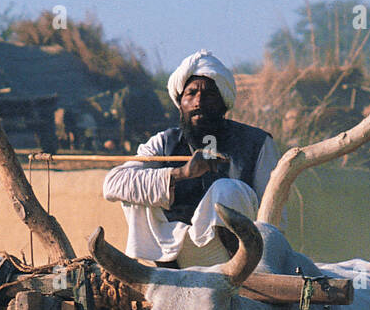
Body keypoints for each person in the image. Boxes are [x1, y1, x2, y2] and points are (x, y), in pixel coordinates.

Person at [102, 49, 281, 268]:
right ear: (180, 102)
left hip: (233, 260)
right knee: (135, 189)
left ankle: (246, 278)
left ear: (224, 102)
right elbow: (112, 184)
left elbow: (274, 219)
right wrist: (180, 173)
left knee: (227, 190)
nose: (199, 102)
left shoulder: (257, 143)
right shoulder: (164, 142)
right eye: (191, 94)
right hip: (175, 253)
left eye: (209, 95)